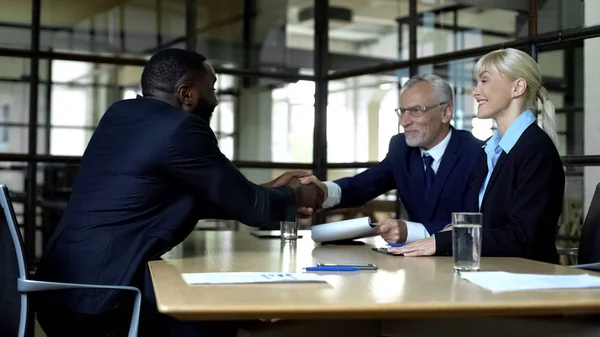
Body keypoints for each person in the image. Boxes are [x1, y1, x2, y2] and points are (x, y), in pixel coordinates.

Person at [33, 48, 324, 337]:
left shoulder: (120, 114)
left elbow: (192, 196)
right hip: (105, 304)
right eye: (211, 89)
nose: (216, 99)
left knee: (215, 309)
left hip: (59, 292)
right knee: (214, 315)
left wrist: (268, 190)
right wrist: (298, 195)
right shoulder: (182, 129)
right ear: (186, 94)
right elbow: (254, 210)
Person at [391, 48, 565, 264]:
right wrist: (450, 231)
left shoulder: (536, 150)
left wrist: (444, 241)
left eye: (484, 81)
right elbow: (489, 223)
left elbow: (523, 237)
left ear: (517, 87)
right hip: (492, 272)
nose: (475, 91)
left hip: (527, 279)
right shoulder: (491, 150)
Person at [299, 74, 483, 243]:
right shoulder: (401, 148)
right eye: (402, 111)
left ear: (446, 112)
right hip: (416, 265)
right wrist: (323, 191)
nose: (404, 121)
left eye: (416, 110)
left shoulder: (476, 154)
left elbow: (473, 223)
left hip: (464, 262)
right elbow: (364, 185)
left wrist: (410, 231)